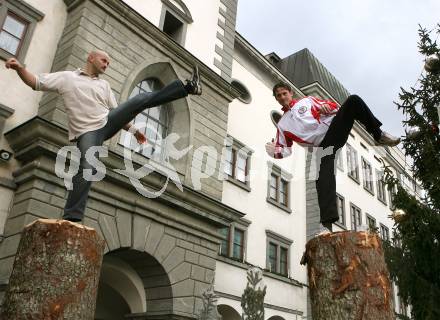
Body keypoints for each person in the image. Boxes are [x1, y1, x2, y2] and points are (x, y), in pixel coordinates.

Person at [5, 50, 202, 222]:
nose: (106, 65)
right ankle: (72, 217)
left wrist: (134, 131)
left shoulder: (104, 86)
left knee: (140, 99)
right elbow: (36, 82)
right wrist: (20, 68)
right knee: (87, 167)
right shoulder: (67, 78)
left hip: (107, 122)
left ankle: (187, 88)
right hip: (87, 133)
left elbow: (119, 112)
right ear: (91, 58)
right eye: (104, 61)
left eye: (108, 63)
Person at [265, 82, 400, 235]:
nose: (282, 97)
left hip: (334, 129)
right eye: (279, 96)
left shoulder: (307, 101)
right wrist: (273, 152)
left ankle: (378, 135)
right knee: (322, 179)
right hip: (323, 147)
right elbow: (285, 150)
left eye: (284, 93)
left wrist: (327, 109)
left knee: (353, 100)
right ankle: (326, 226)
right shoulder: (283, 124)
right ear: (276, 99)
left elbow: (333, 107)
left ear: (290, 93)